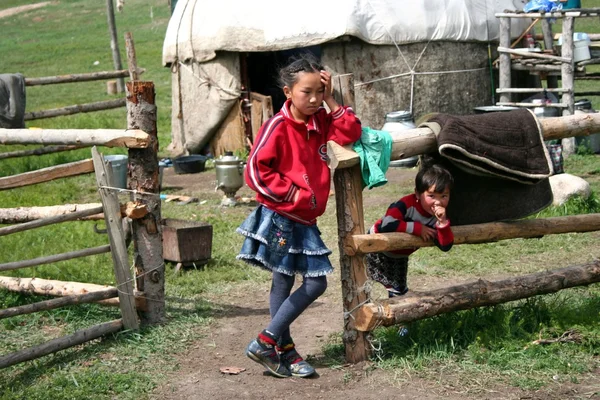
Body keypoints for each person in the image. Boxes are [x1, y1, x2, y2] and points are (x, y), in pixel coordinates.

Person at [236, 53, 362, 378]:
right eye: (307, 92)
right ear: (288, 92)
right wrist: (293, 194)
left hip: (305, 219)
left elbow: (351, 131)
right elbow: (254, 170)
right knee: (313, 282)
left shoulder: (321, 120)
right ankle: (270, 342)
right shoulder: (277, 127)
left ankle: (280, 351)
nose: (314, 98)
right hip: (283, 216)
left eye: (319, 91)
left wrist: (333, 99)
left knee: (286, 280)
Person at [365, 159, 454, 298]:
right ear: (417, 194)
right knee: (363, 284)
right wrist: (417, 228)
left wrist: (442, 223)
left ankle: (394, 316)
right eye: (431, 196)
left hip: (400, 255)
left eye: (444, 196)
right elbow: (387, 225)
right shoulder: (406, 204)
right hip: (376, 248)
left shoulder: (438, 217)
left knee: (398, 291)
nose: (438, 201)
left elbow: (445, 246)